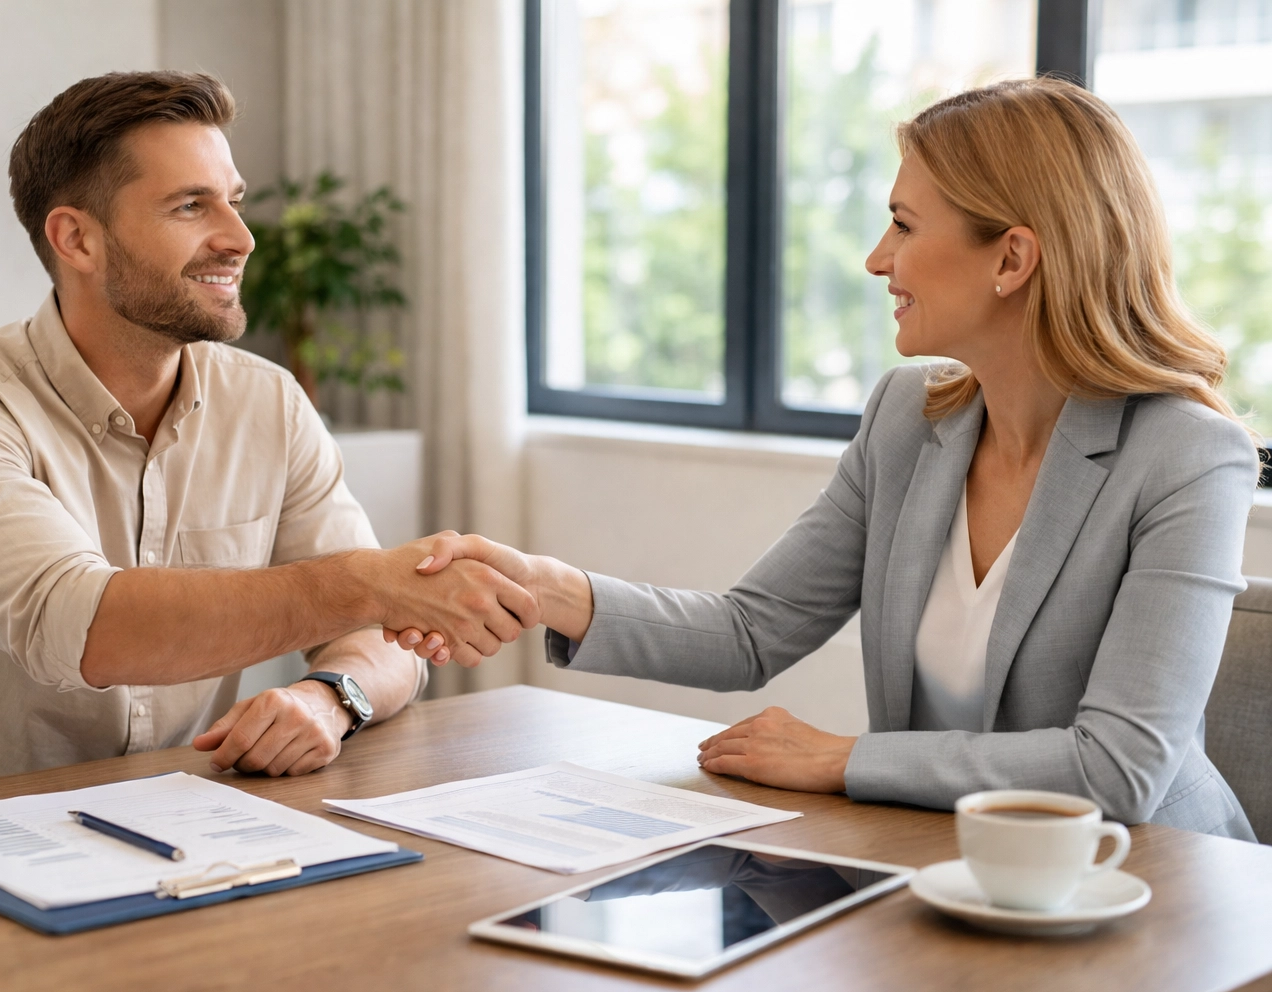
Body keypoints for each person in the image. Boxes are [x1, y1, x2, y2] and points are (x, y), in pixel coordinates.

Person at [391, 78, 1260, 840]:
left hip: (1156, 887)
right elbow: (750, 632)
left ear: (1013, 258)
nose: (878, 258)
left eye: (903, 224)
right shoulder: (906, 417)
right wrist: (545, 589)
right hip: (947, 868)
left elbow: (1117, 768)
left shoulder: (1188, 454)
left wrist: (844, 759)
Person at [0, 72, 536, 804]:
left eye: (234, 200)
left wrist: (330, 696)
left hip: (149, 821)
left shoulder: (268, 404)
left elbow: (387, 639)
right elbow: (80, 627)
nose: (241, 238)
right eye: (191, 206)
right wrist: (364, 583)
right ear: (77, 239)